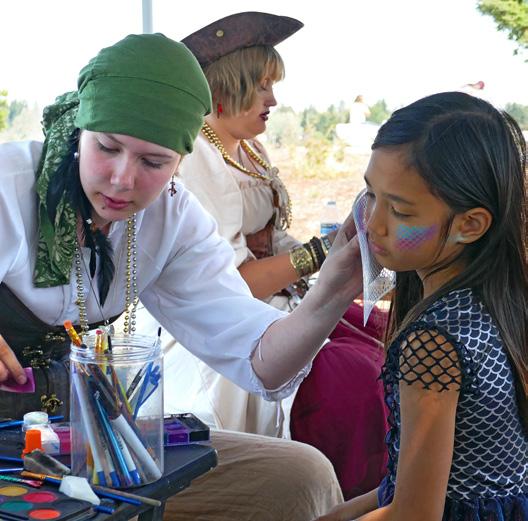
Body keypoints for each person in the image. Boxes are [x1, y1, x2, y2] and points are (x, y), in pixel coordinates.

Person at [0, 32, 364, 520]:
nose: (122, 179)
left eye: (153, 162)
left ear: (181, 161)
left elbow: (259, 359)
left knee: (298, 475)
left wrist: (334, 288)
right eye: (107, 147)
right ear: (81, 129)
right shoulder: (9, 185)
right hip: (25, 455)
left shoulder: (174, 220)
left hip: (79, 442)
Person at [134, 11, 388, 500]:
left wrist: (328, 251)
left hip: (277, 299)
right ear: (226, 86)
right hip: (218, 315)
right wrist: (320, 254)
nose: (273, 100)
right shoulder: (197, 158)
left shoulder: (249, 151)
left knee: (380, 338)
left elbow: (273, 239)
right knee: (352, 378)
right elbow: (235, 282)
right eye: (262, 86)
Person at [317, 91, 528, 520]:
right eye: (370, 195)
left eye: (400, 211)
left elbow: (415, 514)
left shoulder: (433, 343)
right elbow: (411, 487)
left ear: (470, 225)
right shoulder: (499, 301)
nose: (372, 224)